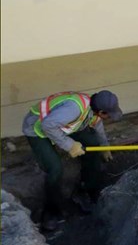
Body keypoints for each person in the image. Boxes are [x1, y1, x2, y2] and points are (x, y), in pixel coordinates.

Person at [22, 90, 123, 230]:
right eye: (109, 115)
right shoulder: (75, 109)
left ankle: (87, 189)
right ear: (101, 111)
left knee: (93, 143)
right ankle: (50, 212)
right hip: (37, 128)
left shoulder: (93, 111)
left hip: (63, 126)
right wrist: (69, 145)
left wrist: (104, 146)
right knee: (55, 168)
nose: (110, 118)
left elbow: (98, 126)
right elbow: (47, 125)